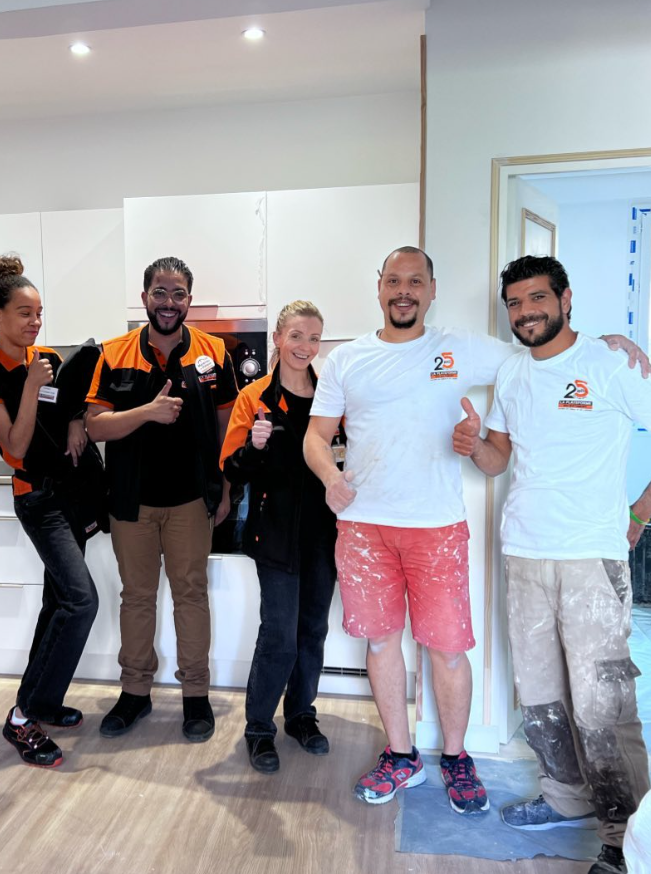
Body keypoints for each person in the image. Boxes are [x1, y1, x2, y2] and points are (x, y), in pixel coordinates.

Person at [303, 246, 645, 817]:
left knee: (457, 652)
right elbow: (316, 436)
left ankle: (459, 759)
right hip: (368, 528)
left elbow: (547, 347)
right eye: (394, 280)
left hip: (443, 529)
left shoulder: (466, 349)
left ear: (432, 290)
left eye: (416, 281)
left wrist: (613, 341)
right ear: (380, 287)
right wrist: (330, 476)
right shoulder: (348, 359)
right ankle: (403, 755)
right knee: (386, 645)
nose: (404, 290)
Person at [452, 254, 651, 874]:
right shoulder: (513, 372)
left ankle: (624, 836)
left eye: (537, 298)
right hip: (524, 552)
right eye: (514, 303)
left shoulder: (611, 363)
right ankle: (566, 798)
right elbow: (498, 459)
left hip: (591, 558)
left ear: (565, 300)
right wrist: (474, 446)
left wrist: (639, 514)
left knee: (602, 705)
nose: (525, 312)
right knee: (539, 695)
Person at [85, 256, 238, 742]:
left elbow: (228, 428)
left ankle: (196, 694)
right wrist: (147, 412)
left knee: (191, 595)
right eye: (160, 292)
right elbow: (95, 427)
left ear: (189, 300)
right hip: (131, 502)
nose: (168, 303)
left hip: (192, 501)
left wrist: (226, 490)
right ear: (145, 297)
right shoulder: (114, 353)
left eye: (178, 294)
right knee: (136, 598)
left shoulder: (214, 352)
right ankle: (135, 692)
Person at [0, 255, 98, 769]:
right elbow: (16, 448)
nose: (34, 322)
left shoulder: (46, 358)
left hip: (70, 493)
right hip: (37, 499)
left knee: (58, 601)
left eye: (39, 312)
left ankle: (43, 702)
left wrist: (76, 420)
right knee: (82, 600)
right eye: (24, 312)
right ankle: (22, 716)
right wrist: (27, 387)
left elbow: (67, 408)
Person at [220, 301, 343, 773]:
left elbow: (346, 454)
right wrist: (253, 448)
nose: (305, 347)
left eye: (313, 338)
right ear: (277, 338)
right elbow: (231, 468)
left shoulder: (331, 397)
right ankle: (258, 728)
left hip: (323, 534)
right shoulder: (255, 398)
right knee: (279, 635)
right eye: (296, 336)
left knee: (312, 630)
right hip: (273, 534)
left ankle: (300, 715)